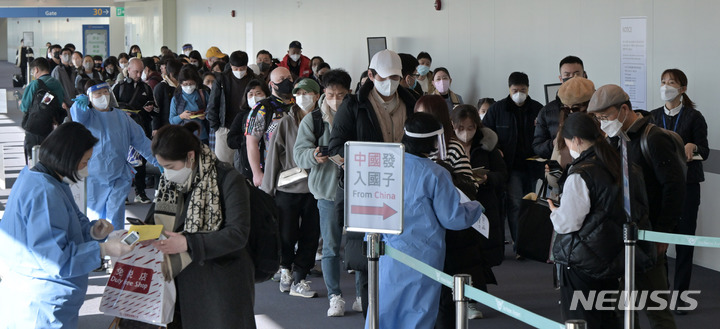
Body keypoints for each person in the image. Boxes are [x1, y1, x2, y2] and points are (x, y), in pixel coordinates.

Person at [0, 122, 134, 329]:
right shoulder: (44, 193)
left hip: (34, 292)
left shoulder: (42, 179)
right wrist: (103, 249)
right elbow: (55, 260)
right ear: (67, 158)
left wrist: (91, 231)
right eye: (85, 162)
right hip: (41, 301)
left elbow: (66, 222)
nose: (87, 168)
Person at [371, 112, 484, 329]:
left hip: (388, 252)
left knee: (386, 308)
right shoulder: (435, 173)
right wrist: (476, 208)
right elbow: (452, 218)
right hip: (423, 255)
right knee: (418, 311)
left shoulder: (387, 165)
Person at [587, 84, 685, 329]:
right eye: (598, 119)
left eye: (606, 117)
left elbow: (674, 188)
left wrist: (663, 233)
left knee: (656, 309)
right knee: (622, 310)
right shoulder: (613, 140)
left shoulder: (654, 138)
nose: (603, 123)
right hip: (619, 239)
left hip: (648, 236)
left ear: (623, 109)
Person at [329, 49, 417, 317]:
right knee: (371, 262)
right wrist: (365, 160)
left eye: (395, 77)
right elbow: (335, 147)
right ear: (371, 75)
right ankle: (372, 318)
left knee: (406, 262)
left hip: (406, 190)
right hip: (367, 192)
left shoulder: (413, 102)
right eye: (384, 77)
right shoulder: (354, 105)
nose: (390, 83)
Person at [147, 122, 257, 329]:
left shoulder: (227, 179)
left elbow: (238, 233)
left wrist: (188, 243)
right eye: (163, 167)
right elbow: (154, 219)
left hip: (222, 281)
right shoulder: (169, 184)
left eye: (170, 167)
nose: (166, 173)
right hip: (181, 280)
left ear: (190, 156)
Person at [547, 112, 629, 328]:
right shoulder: (617, 162)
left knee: (581, 320)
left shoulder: (581, 173)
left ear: (576, 140)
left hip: (583, 261)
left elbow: (568, 222)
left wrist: (555, 212)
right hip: (613, 255)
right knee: (609, 320)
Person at [294, 69, 356, 316]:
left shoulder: (357, 115)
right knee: (330, 247)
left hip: (357, 190)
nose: (336, 100)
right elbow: (298, 154)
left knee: (357, 246)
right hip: (328, 191)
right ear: (324, 93)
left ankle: (362, 295)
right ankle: (335, 296)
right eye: (331, 94)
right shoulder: (314, 119)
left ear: (349, 93)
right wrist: (314, 156)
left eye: (341, 95)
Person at [647, 69, 709, 314]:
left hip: (687, 186)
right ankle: (659, 294)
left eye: (671, 82)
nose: (666, 86)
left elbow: (705, 150)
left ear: (682, 88)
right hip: (659, 187)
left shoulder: (694, 117)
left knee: (684, 242)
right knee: (659, 241)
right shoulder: (652, 117)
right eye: (663, 82)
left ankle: (681, 296)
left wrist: (693, 147)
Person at [261, 78, 321, 298]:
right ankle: (285, 268)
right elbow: (273, 155)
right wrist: (267, 189)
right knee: (286, 234)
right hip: (288, 187)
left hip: (315, 187)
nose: (303, 97)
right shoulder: (285, 121)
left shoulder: (324, 119)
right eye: (299, 93)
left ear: (317, 95)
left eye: (308, 92)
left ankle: (300, 277)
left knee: (311, 235)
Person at [71, 80, 159, 231]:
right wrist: (80, 104)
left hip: (119, 174)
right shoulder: (88, 116)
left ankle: (116, 248)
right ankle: (99, 251)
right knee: (95, 217)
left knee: (115, 216)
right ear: (90, 97)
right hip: (94, 177)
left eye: (105, 92)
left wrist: (160, 161)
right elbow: (77, 117)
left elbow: (141, 141)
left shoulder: (122, 117)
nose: (103, 96)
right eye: (98, 94)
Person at [450, 104, 507, 320]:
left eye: (470, 127)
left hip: (482, 205)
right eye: (461, 127)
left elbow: (502, 174)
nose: (466, 132)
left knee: (478, 255)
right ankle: (459, 298)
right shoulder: (446, 146)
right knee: (460, 255)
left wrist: (487, 178)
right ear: (453, 126)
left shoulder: (487, 144)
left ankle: (472, 301)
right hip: (456, 207)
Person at [482, 71, 543, 258]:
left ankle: (528, 243)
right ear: (509, 89)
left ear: (528, 89)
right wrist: (496, 150)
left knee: (531, 205)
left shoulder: (537, 108)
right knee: (516, 204)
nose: (519, 93)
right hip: (510, 166)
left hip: (533, 165)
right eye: (515, 90)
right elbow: (485, 133)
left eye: (522, 90)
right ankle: (520, 245)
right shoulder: (498, 109)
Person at [113, 57, 157, 204]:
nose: (139, 75)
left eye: (141, 71)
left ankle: (140, 192)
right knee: (122, 160)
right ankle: (123, 194)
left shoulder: (146, 88)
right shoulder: (118, 87)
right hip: (122, 129)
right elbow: (111, 109)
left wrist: (150, 109)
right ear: (129, 70)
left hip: (140, 127)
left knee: (141, 162)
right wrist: (122, 113)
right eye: (136, 71)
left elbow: (156, 109)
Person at [245, 66, 295, 186]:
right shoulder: (261, 108)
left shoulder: (297, 105)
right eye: (282, 79)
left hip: (296, 168)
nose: (287, 82)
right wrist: (257, 173)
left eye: (289, 78)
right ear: (272, 84)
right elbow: (251, 142)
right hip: (271, 169)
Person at [546, 77, 595, 195]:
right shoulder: (563, 133)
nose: (572, 114)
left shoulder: (603, 133)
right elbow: (553, 180)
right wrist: (553, 172)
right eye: (567, 109)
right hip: (568, 194)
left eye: (576, 109)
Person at [207, 50, 257, 163]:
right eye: (235, 69)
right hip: (225, 127)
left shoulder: (254, 79)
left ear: (246, 66)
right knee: (224, 165)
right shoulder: (221, 79)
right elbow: (212, 104)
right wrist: (217, 128)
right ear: (230, 66)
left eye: (242, 68)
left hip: (248, 129)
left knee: (246, 164)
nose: (239, 71)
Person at [533, 56, 588, 159]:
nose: (572, 78)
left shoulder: (595, 106)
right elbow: (537, 147)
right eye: (567, 75)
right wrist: (554, 143)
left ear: (584, 75)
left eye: (576, 74)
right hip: (560, 168)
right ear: (560, 78)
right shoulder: (547, 111)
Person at [20, 57, 66, 162]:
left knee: (33, 160)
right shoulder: (57, 84)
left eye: (32, 71)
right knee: (50, 159)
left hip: (35, 129)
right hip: (52, 127)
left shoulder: (35, 84)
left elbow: (24, 107)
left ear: (36, 69)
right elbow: (60, 102)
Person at [170, 66, 210, 144]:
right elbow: (171, 120)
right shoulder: (176, 99)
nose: (189, 87)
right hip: (183, 137)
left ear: (196, 83)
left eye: (191, 84)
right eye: (186, 84)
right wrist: (181, 116)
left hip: (202, 136)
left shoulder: (203, 95)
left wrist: (204, 116)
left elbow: (211, 112)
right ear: (180, 84)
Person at [153, 59, 182, 136]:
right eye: (178, 73)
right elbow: (156, 109)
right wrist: (155, 128)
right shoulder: (161, 87)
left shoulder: (182, 86)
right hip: (165, 126)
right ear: (171, 73)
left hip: (180, 125)